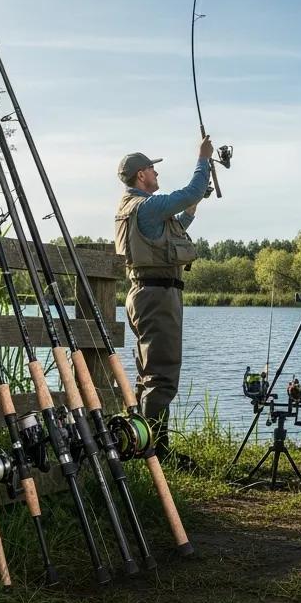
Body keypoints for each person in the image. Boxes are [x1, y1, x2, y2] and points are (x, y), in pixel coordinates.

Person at [114, 136, 213, 465]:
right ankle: (156, 454)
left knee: (151, 376)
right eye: (153, 170)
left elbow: (170, 236)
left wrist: (191, 210)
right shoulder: (147, 205)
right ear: (141, 174)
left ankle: (149, 446)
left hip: (147, 294)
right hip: (157, 296)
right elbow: (191, 190)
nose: (157, 174)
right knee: (163, 376)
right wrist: (203, 159)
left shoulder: (134, 209)